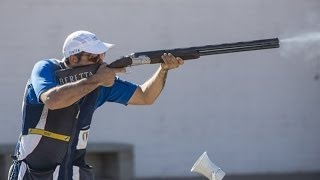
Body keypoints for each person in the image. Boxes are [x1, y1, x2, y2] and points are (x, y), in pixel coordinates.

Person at [8, 30, 184, 180]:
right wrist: (96, 80)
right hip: (32, 173)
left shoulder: (100, 81)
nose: (101, 61)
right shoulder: (46, 68)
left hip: (72, 173)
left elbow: (145, 96)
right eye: (93, 57)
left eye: (102, 55)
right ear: (73, 59)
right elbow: (52, 100)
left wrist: (163, 70)